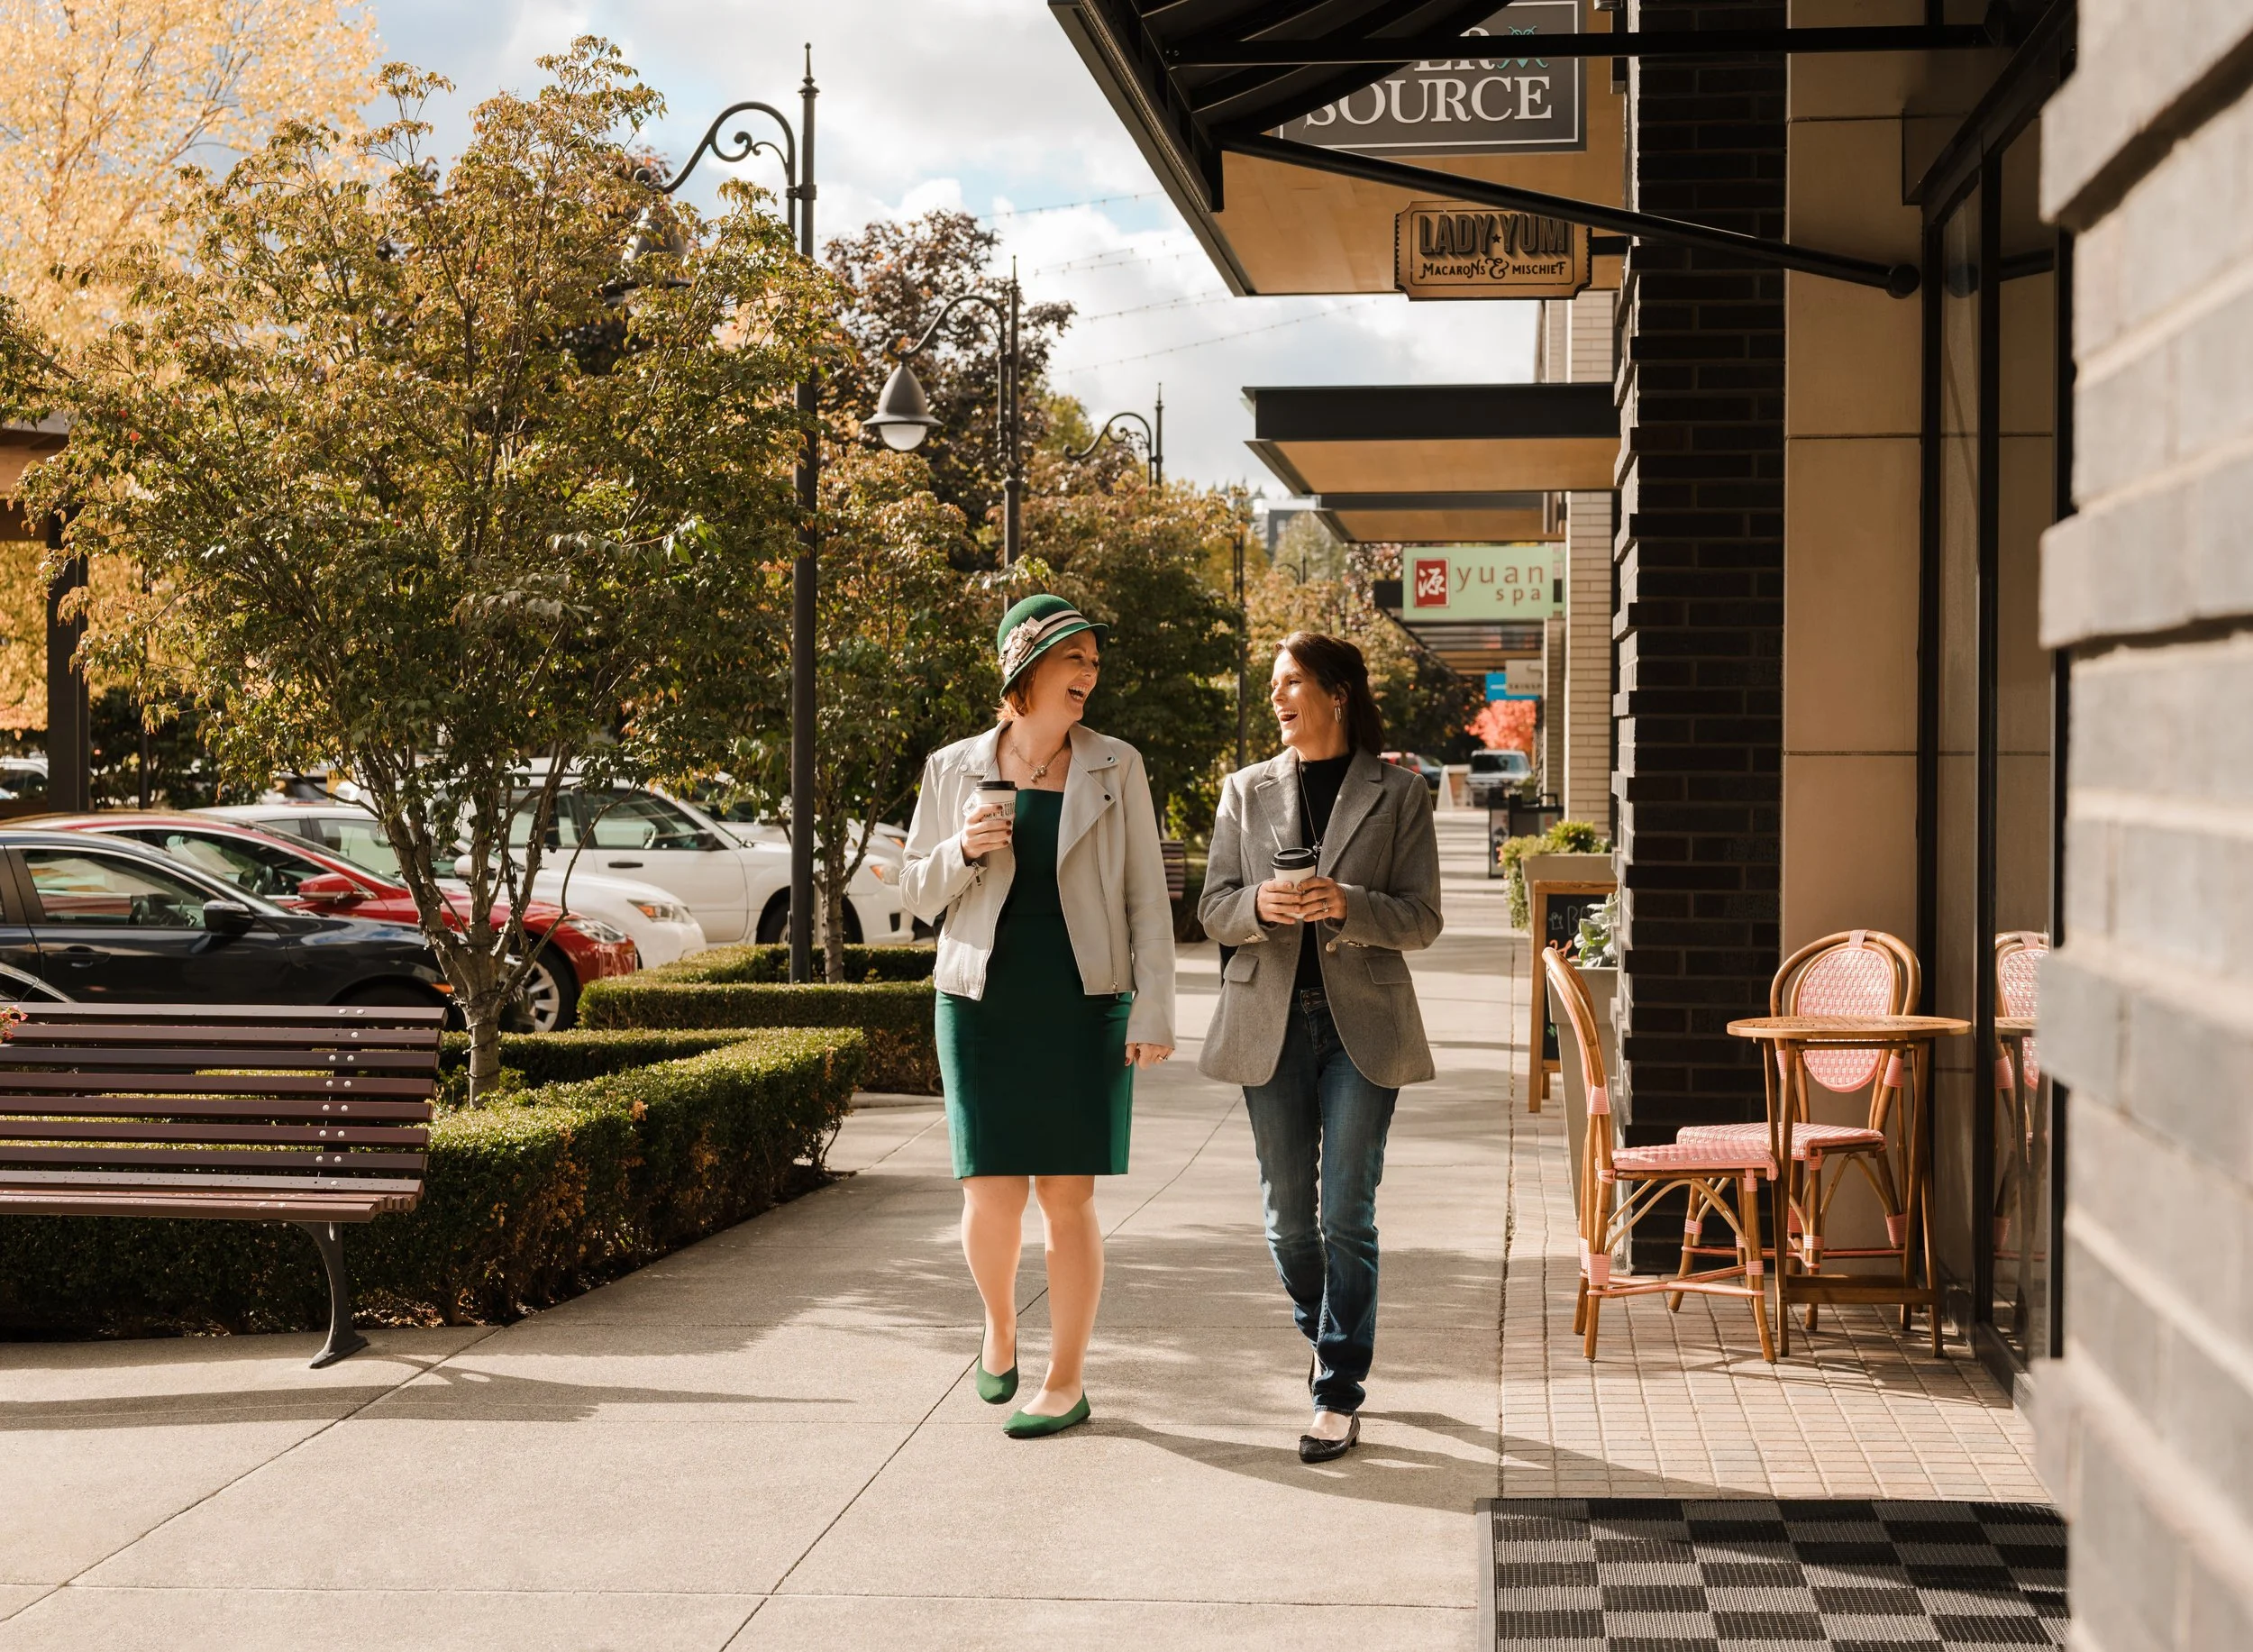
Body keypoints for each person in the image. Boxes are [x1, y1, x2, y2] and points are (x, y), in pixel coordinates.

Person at [900, 594, 1177, 1439]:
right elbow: (916, 891)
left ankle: (1065, 1380)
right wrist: (962, 849)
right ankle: (1000, 1326)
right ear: (1026, 673)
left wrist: (1153, 1007)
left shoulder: (1116, 765)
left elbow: (1144, 895)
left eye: (1094, 662)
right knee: (989, 1189)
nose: (1090, 675)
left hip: (1082, 999)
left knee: (1068, 1193)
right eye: (1075, 660)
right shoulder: (952, 767)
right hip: (979, 997)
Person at [1198, 632, 1443, 1464]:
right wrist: (1262, 904)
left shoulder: (1401, 792)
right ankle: (1329, 1331)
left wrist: (1347, 903)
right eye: (1274, 682)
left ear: (1338, 692)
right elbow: (1213, 909)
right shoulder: (1244, 789)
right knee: (1287, 1222)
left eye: (1293, 680)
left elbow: (1422, 918)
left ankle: (1337, 1389)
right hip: (1267, 1020)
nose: (1278, 696)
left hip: (1360, 1025)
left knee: (1347, 1210)